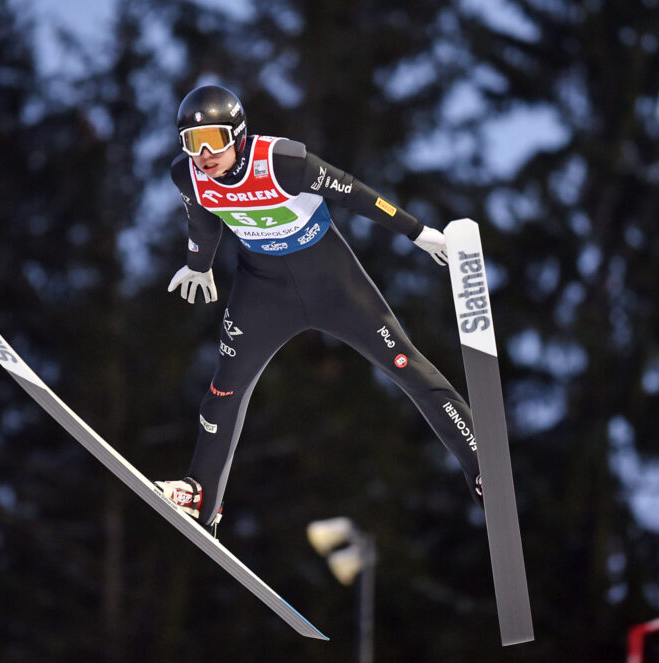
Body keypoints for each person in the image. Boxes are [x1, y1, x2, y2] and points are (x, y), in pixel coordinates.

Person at [155, 84, 481, 535]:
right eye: (192, 142)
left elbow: (354, 193)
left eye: (213, 139)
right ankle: (201, 496)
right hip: (263, 291)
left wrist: (416, 231)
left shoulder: (282, 161)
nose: (203, 154)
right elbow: (203, 220)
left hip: (333, 284)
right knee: (223, 391)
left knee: (404, 363)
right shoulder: (187, 175)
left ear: (239, 135)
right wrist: (198, 264)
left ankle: (479, 463)